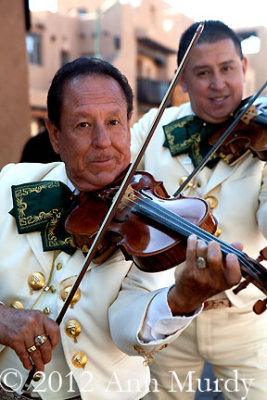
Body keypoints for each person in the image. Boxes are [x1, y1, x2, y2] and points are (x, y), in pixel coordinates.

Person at [0, 57, 242, 400]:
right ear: (54, 134)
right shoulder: (10, 183)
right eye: (83, 125)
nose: (102, 141)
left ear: (129, 128)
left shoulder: (148, 221)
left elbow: (127, 325)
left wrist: (182, 299)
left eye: (114, 122)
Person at [130, 21, 267, 400]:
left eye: (227, 68)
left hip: (243, 318)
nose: (218, 84)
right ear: (182, 81)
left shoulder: (262, 135)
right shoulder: (151, 128)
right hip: (170, 311)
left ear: (243, 66)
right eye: (203, 73)